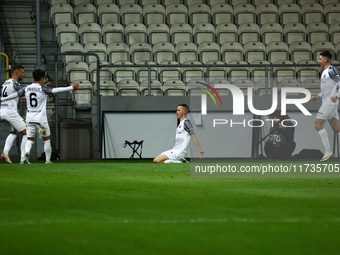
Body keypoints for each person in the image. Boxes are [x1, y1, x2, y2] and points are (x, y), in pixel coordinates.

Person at [0, 69, 79, 164]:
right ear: (42, 78)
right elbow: (55, 90)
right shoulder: (42, 89)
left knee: (30, 139)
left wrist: (3, 98)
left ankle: (26, 156)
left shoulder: (27, 88)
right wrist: (71, 87)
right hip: (41, 119)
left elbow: (16, 94)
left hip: (29, 119)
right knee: (46, 139)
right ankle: (48, 160)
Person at [311, 51, 340, 162]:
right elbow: (327, 89)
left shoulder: (332, 70)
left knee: (318, 124)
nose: (319, 61)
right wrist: (318, 96)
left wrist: (337, 96)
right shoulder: (324, 72)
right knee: (336, 128)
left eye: (320, 59)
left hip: (330, 102)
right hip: (327, 102)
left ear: (326, 60)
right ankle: (328, 151)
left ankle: (328, 151)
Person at [0, 64, 28, 164]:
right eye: (22, 73)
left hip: (2, 111)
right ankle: (23, 159)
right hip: (10, 112)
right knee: (27, 133)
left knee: (14, 132)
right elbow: (24, 92)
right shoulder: (15, 84)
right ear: (17, 73)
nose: (23, 75)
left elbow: (15, 95)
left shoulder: (6, 83)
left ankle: (5, 153)